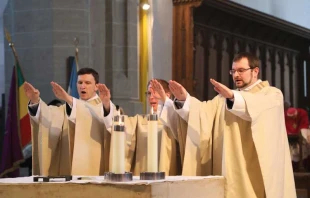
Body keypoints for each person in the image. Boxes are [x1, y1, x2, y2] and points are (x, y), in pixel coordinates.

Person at [165, 52, 295, 198]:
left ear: (255, 71)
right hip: (228, 169)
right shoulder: (224, 98)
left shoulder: (271, 94)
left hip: (253, 173)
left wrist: (233, 97)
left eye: (241, 70)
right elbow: (202, 114)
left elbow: (256, 107)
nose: (236, 75)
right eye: (233, 71)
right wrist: (184, 99)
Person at [24, 68, 112, 176]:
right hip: (67, 168)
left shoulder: (104, 107)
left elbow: (106, 121)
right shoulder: (67, 107)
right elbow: (49, 117)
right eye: (80, 82)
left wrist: (68, 98)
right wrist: (35, 101)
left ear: (96, 86)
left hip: (92, 167)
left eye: (87, 83)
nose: (82, 86)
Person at [98, 79, 186, 175]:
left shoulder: (174, 119)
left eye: (155, 92)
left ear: (167, 95)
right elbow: (117, 125)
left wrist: (165, 100)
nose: (151, 97)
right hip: (143, 173)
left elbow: (182, 127)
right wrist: (107, 104)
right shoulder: (139, 121)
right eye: (148, 93)